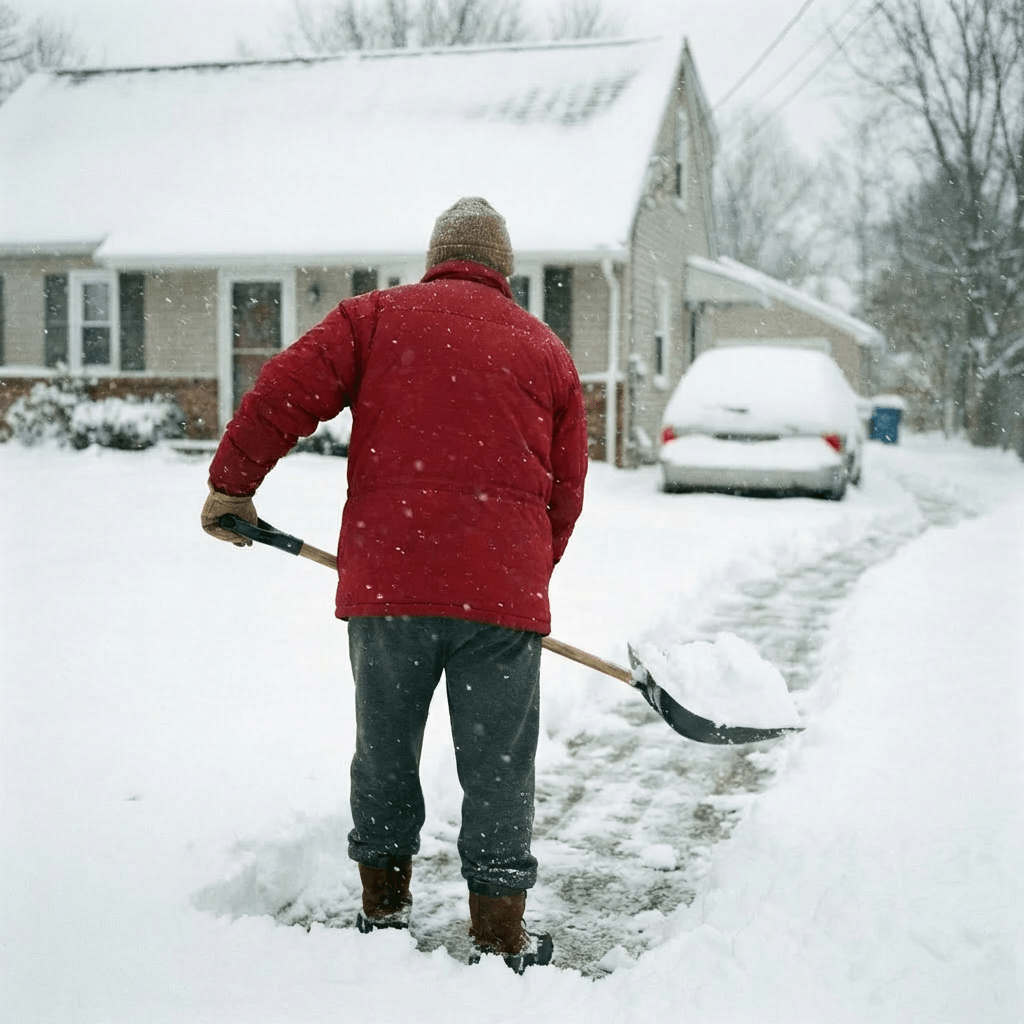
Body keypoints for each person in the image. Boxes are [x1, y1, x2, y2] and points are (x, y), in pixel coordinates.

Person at [201, 197, 588, 972]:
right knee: (499, 768)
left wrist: (233, 484)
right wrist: (518, 572)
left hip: (390, 590)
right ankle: (498, 937)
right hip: (501, 606)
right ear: (504, 271)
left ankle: (384, 912)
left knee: (383, 751)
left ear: (435, 256)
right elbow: (567, 487)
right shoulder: (546, 351)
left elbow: (284, 390)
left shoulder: (372, 320)